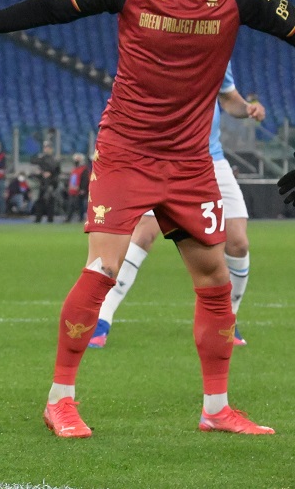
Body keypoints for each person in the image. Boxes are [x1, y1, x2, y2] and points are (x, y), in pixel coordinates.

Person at [0, 0, 292, 437]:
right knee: (102, 269)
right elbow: (49, 7)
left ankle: (216, 409)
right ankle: (59, 399)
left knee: (213, 279)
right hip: (127, 152)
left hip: (190, 159)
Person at [90, 63, 265, 348]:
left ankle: (227, 322)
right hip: (161, 157)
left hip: (210, 159)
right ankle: (102, 319)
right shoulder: (159, 43)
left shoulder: (217, 41)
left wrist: (248, 108)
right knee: (144, 233)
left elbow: (228, 97)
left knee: (238, 244)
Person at [64, 153, 89, 223]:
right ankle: (71, 218)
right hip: (72, 190)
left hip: (78, 190)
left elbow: (85, 180)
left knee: (78, 205)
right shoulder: (75, 169)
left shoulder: (83, 169)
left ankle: (75, 218)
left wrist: (83, 189)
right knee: (73, 204)